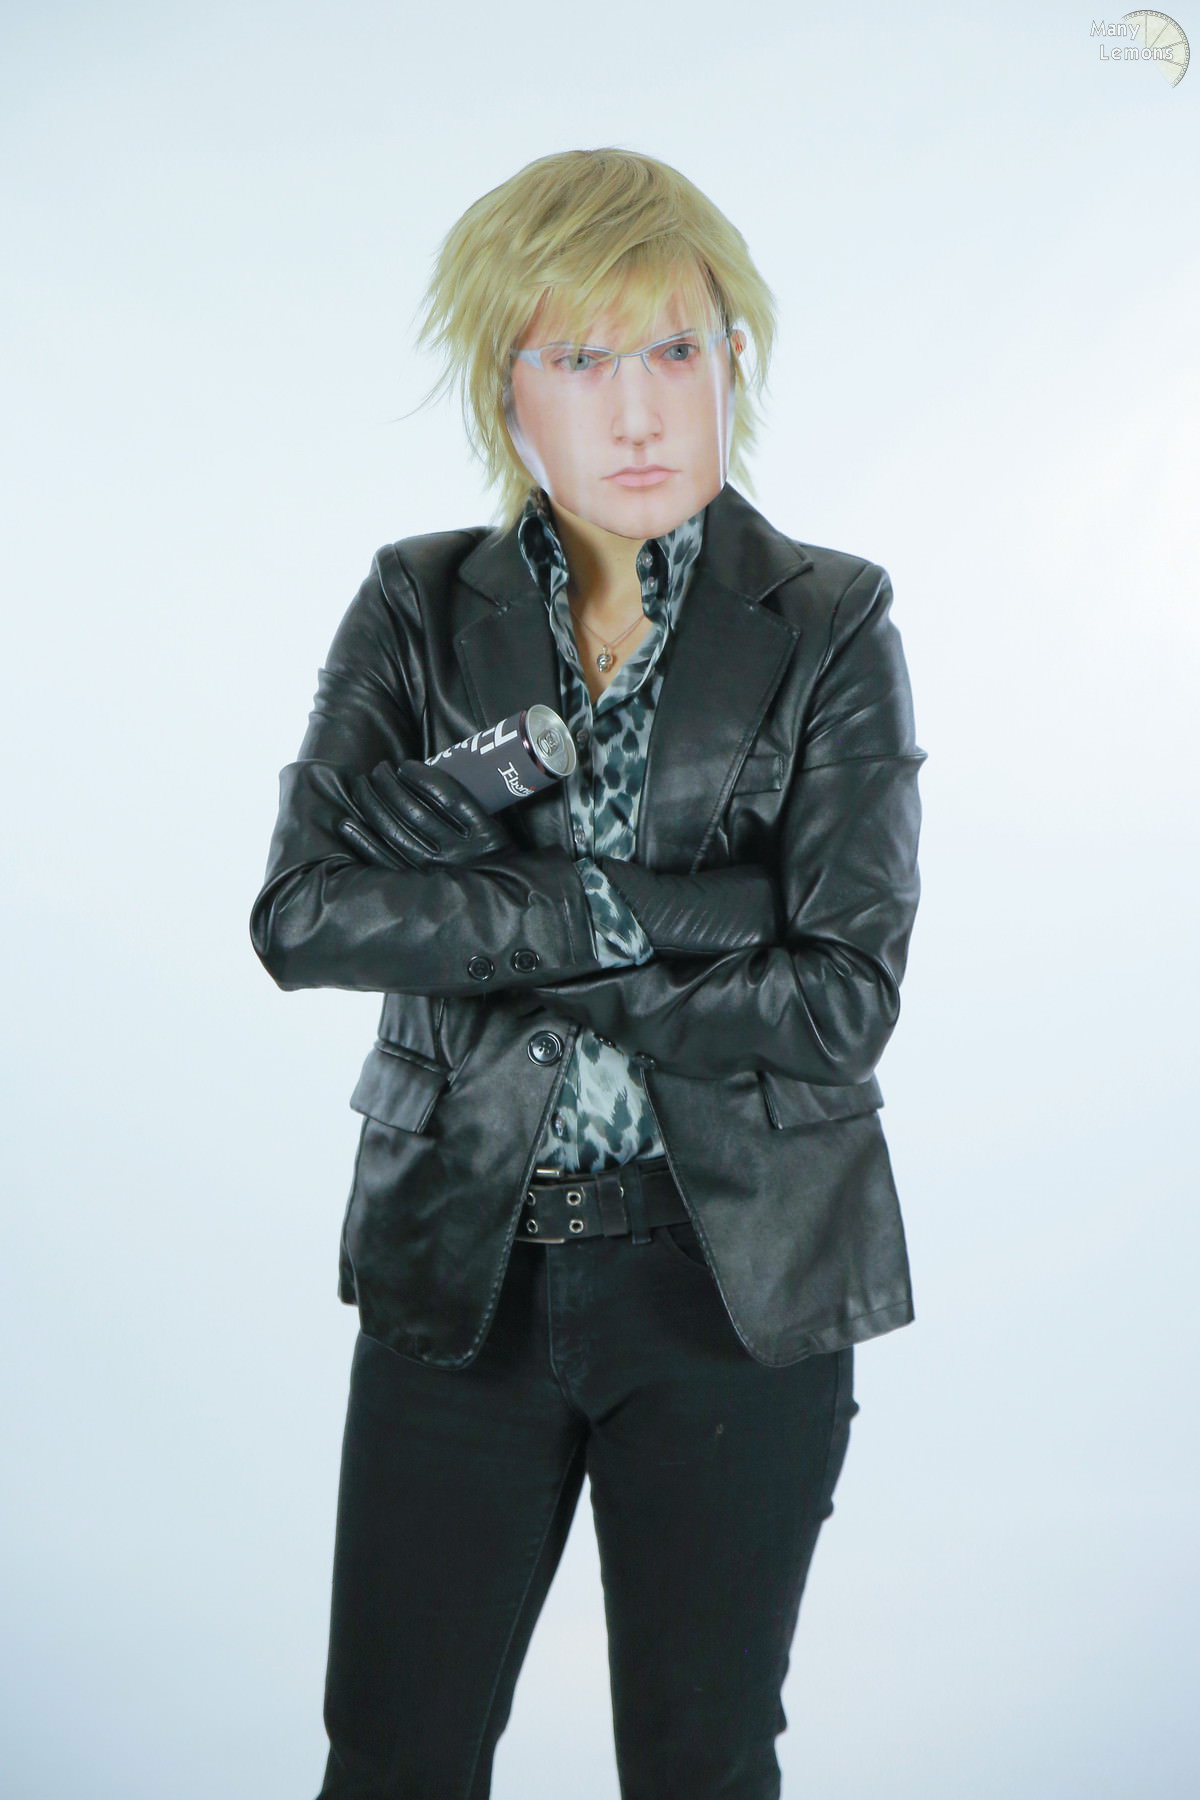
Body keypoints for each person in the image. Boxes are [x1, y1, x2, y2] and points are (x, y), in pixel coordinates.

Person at [251, 146, 925, 1800]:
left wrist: (481, 914)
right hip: (458, 1271)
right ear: (511, 388)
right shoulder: (416, 606)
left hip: (734, 1280)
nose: (639, 411)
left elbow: (839, 1001)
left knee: (702, 1762)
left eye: (676, 349)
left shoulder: (832, 621)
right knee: (392, 1757)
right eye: (581, 357)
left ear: (733, 362)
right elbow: (305, 919)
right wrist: (637, 911)